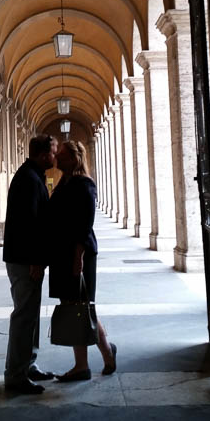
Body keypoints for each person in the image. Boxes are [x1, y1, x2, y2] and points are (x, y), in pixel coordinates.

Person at [48, 139, 117, 381]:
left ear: (75, 159)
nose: (57, 159)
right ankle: (94, 359)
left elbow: (85, 223)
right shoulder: (64, 182)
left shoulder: (84, 184)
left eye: (63, 156)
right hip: (62, 253)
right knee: (76, 306)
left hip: (78, 255)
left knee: (83, 306)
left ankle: (88, 362)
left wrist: (78, 256)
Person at [3, 133, 58, 394]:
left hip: (26, 259)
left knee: (31, 315)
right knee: (24, 317)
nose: (56, 157)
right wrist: (36, 260)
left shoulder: (32, 175)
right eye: (54, 152)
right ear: (44, 154)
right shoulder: (28, 179)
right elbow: (29, 225)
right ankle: (15, 375)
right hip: (25, 260)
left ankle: (28, 364)